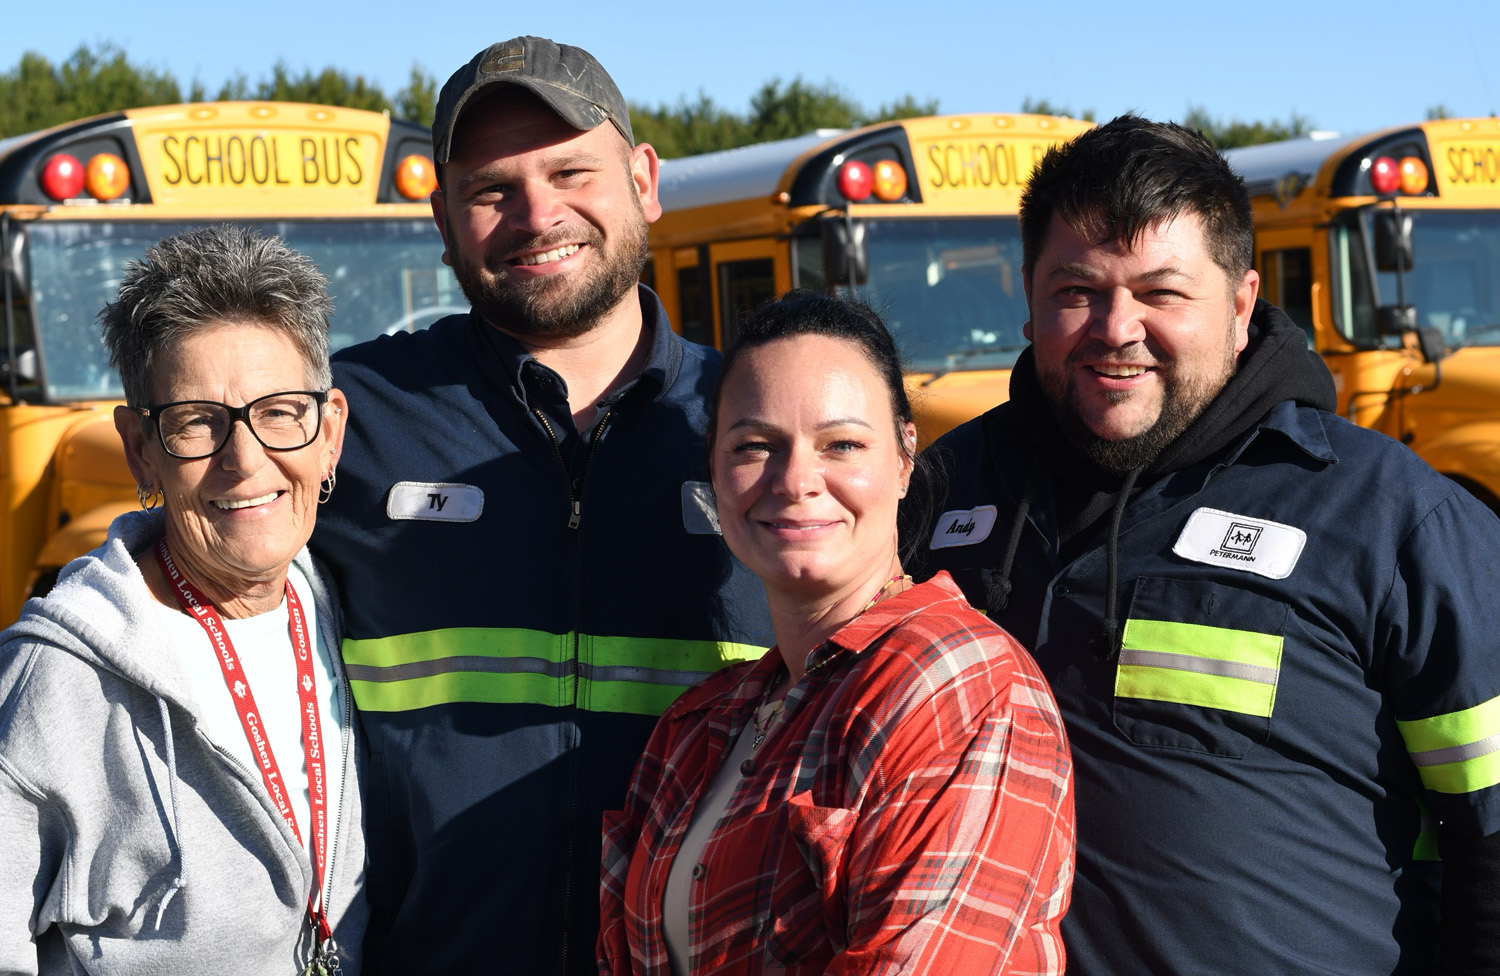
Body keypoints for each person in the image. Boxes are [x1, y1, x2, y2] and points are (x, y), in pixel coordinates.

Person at [916, 114, 1500, 975]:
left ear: (1240, 305)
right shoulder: (937, 495)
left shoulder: (1394, 520)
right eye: (1076, 289)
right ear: (1029, 298)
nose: (1116, 328)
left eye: (1161, 292)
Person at [311, 36, 771, 974]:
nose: (537, 214)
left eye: (571, 171)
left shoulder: (765, 428)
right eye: (491, 190)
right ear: (442, 218)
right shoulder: (346, 419)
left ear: (644, 181)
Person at [599, 291, 1074, 975]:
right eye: (755, 445)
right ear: (714, 472)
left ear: (906, 459)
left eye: (842, 444)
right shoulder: (701, 723)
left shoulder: (963, 689)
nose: (796, 481)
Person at [0, 225, 363, 975]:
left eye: (279, 411)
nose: (245, 460)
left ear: (329, 432)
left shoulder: (363, 617)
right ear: (140, 448)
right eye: (197, 421)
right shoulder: (54, 683)